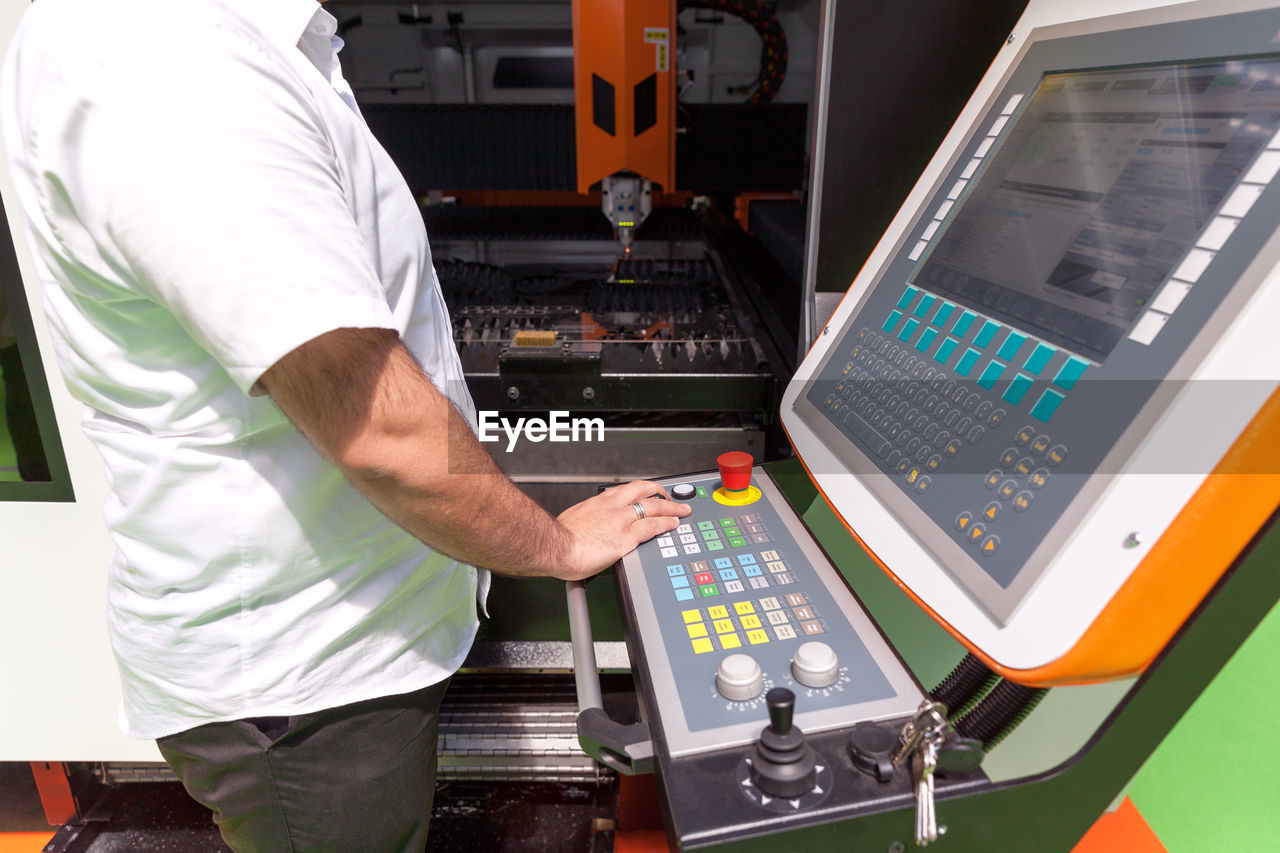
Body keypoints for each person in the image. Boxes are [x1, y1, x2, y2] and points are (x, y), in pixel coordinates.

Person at [0, 0, 691, 849]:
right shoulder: (167, 57)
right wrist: (552, 546)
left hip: (342, 656)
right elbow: (384, 433)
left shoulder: (234, 43)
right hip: (306, 691)